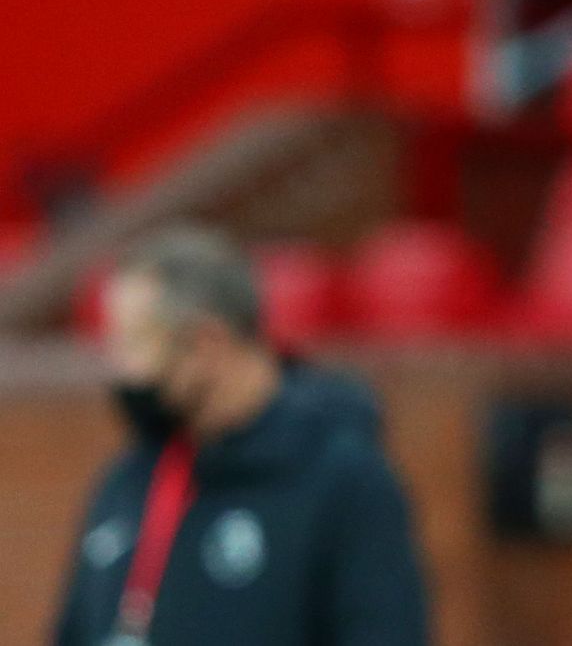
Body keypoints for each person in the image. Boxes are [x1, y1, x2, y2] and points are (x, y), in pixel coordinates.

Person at [51, 228, 430, 646]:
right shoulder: (128, 479)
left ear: (207, 343)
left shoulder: (345, 481)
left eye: (137, 344)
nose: (122, 371)